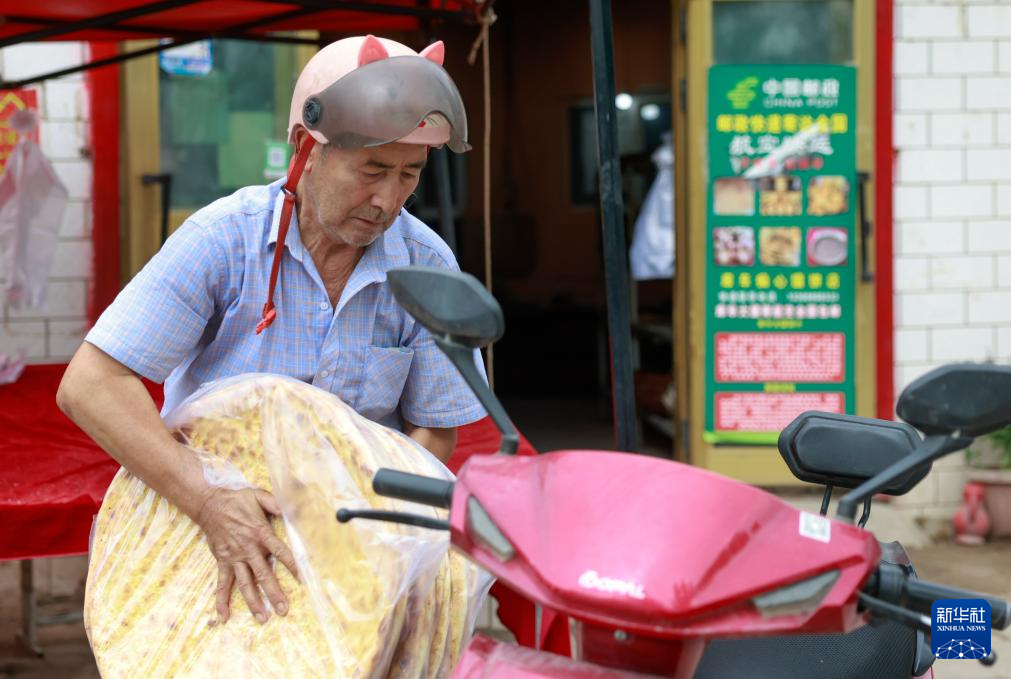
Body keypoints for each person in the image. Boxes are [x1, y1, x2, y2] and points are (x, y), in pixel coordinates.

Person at [57, 35, 485, 629]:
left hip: (357, 536)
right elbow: (91, 385)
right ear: (308, 147)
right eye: (373, 170)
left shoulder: (426, 263)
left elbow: (433, 430)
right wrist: (207, 499)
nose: (388, 199)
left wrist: (376, 528)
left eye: (409, 174)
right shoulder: (223, 239)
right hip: (206, 523)